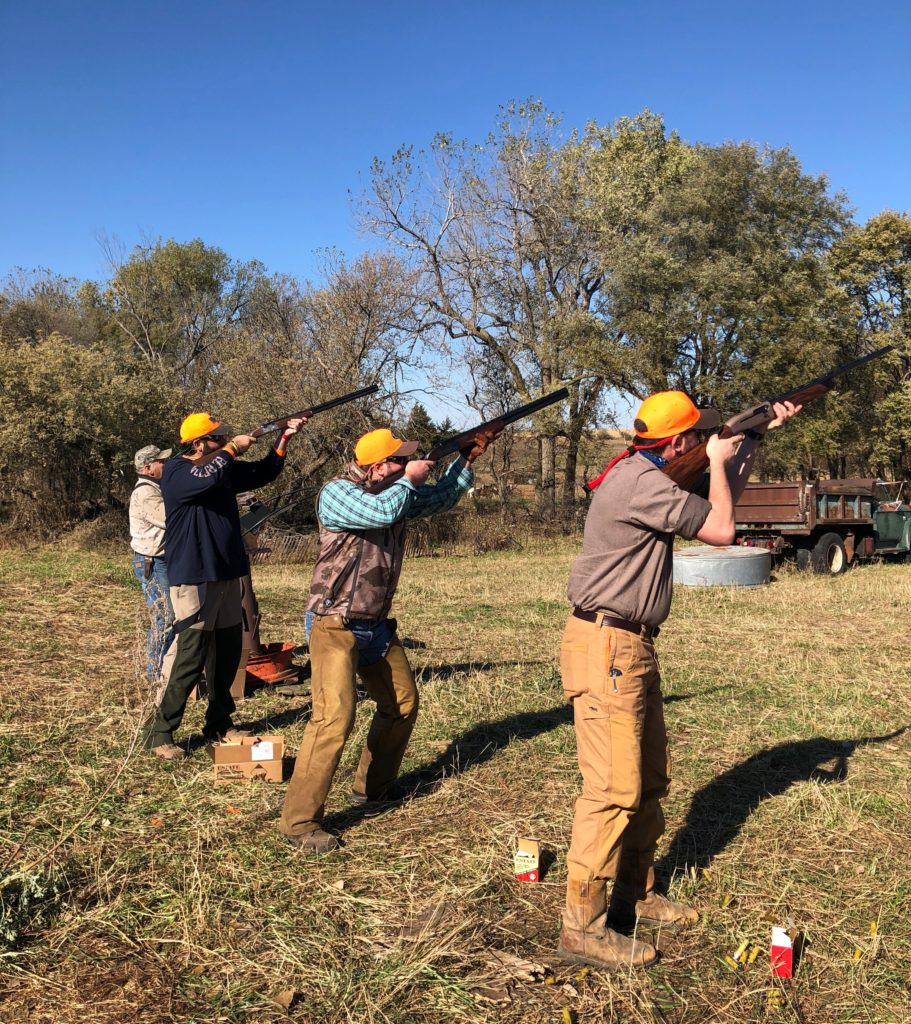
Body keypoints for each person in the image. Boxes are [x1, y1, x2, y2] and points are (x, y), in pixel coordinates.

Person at [557, 391, 800, 971]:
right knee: (613, 791)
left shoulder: (647, 473)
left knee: (649, 777)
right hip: (609, 645)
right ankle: (582, 929)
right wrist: (718, 460)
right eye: (697, 439)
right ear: (678, 444)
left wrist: (754, 439)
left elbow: (720, 507)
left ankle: (634, 892)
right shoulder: (641, 483)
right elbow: (720, 530)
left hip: (630, 646)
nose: (700, 445)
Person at [279, 424, 499, 853]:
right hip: (334, 622)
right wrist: (412, 478)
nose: (406, 464)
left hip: (375, 622)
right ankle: (299, 823)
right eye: (399, 459)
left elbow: (440, 499)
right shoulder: (337, 492)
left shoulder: (396, 491)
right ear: (379, 465)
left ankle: (372, 790)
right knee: (334, 719)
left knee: (401, 705)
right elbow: (380, 513)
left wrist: (466, 459)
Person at [142, 412, 306, 760]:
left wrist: (283, 440)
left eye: (223, 437)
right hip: (195, 575)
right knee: (191, 655)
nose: (222, 441)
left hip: (227, 571)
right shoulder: (175, 471)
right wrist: (232, 448)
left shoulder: (220, 467)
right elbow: (200, 480)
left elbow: (264, 473)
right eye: (216, 438)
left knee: (229, 652)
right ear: (198, 443)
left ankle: (219, 722)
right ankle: (160, 732)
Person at [129, 445, 175, 684]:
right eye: (161, 461)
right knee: (164, 617)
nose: (165, 465)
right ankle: (154, 673)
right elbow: (170, 518)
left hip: (159, 561)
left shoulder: (155, 488)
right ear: (148, 468)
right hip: (152, 563)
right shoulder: (146, 493)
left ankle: (162, 669)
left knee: (168, 616)